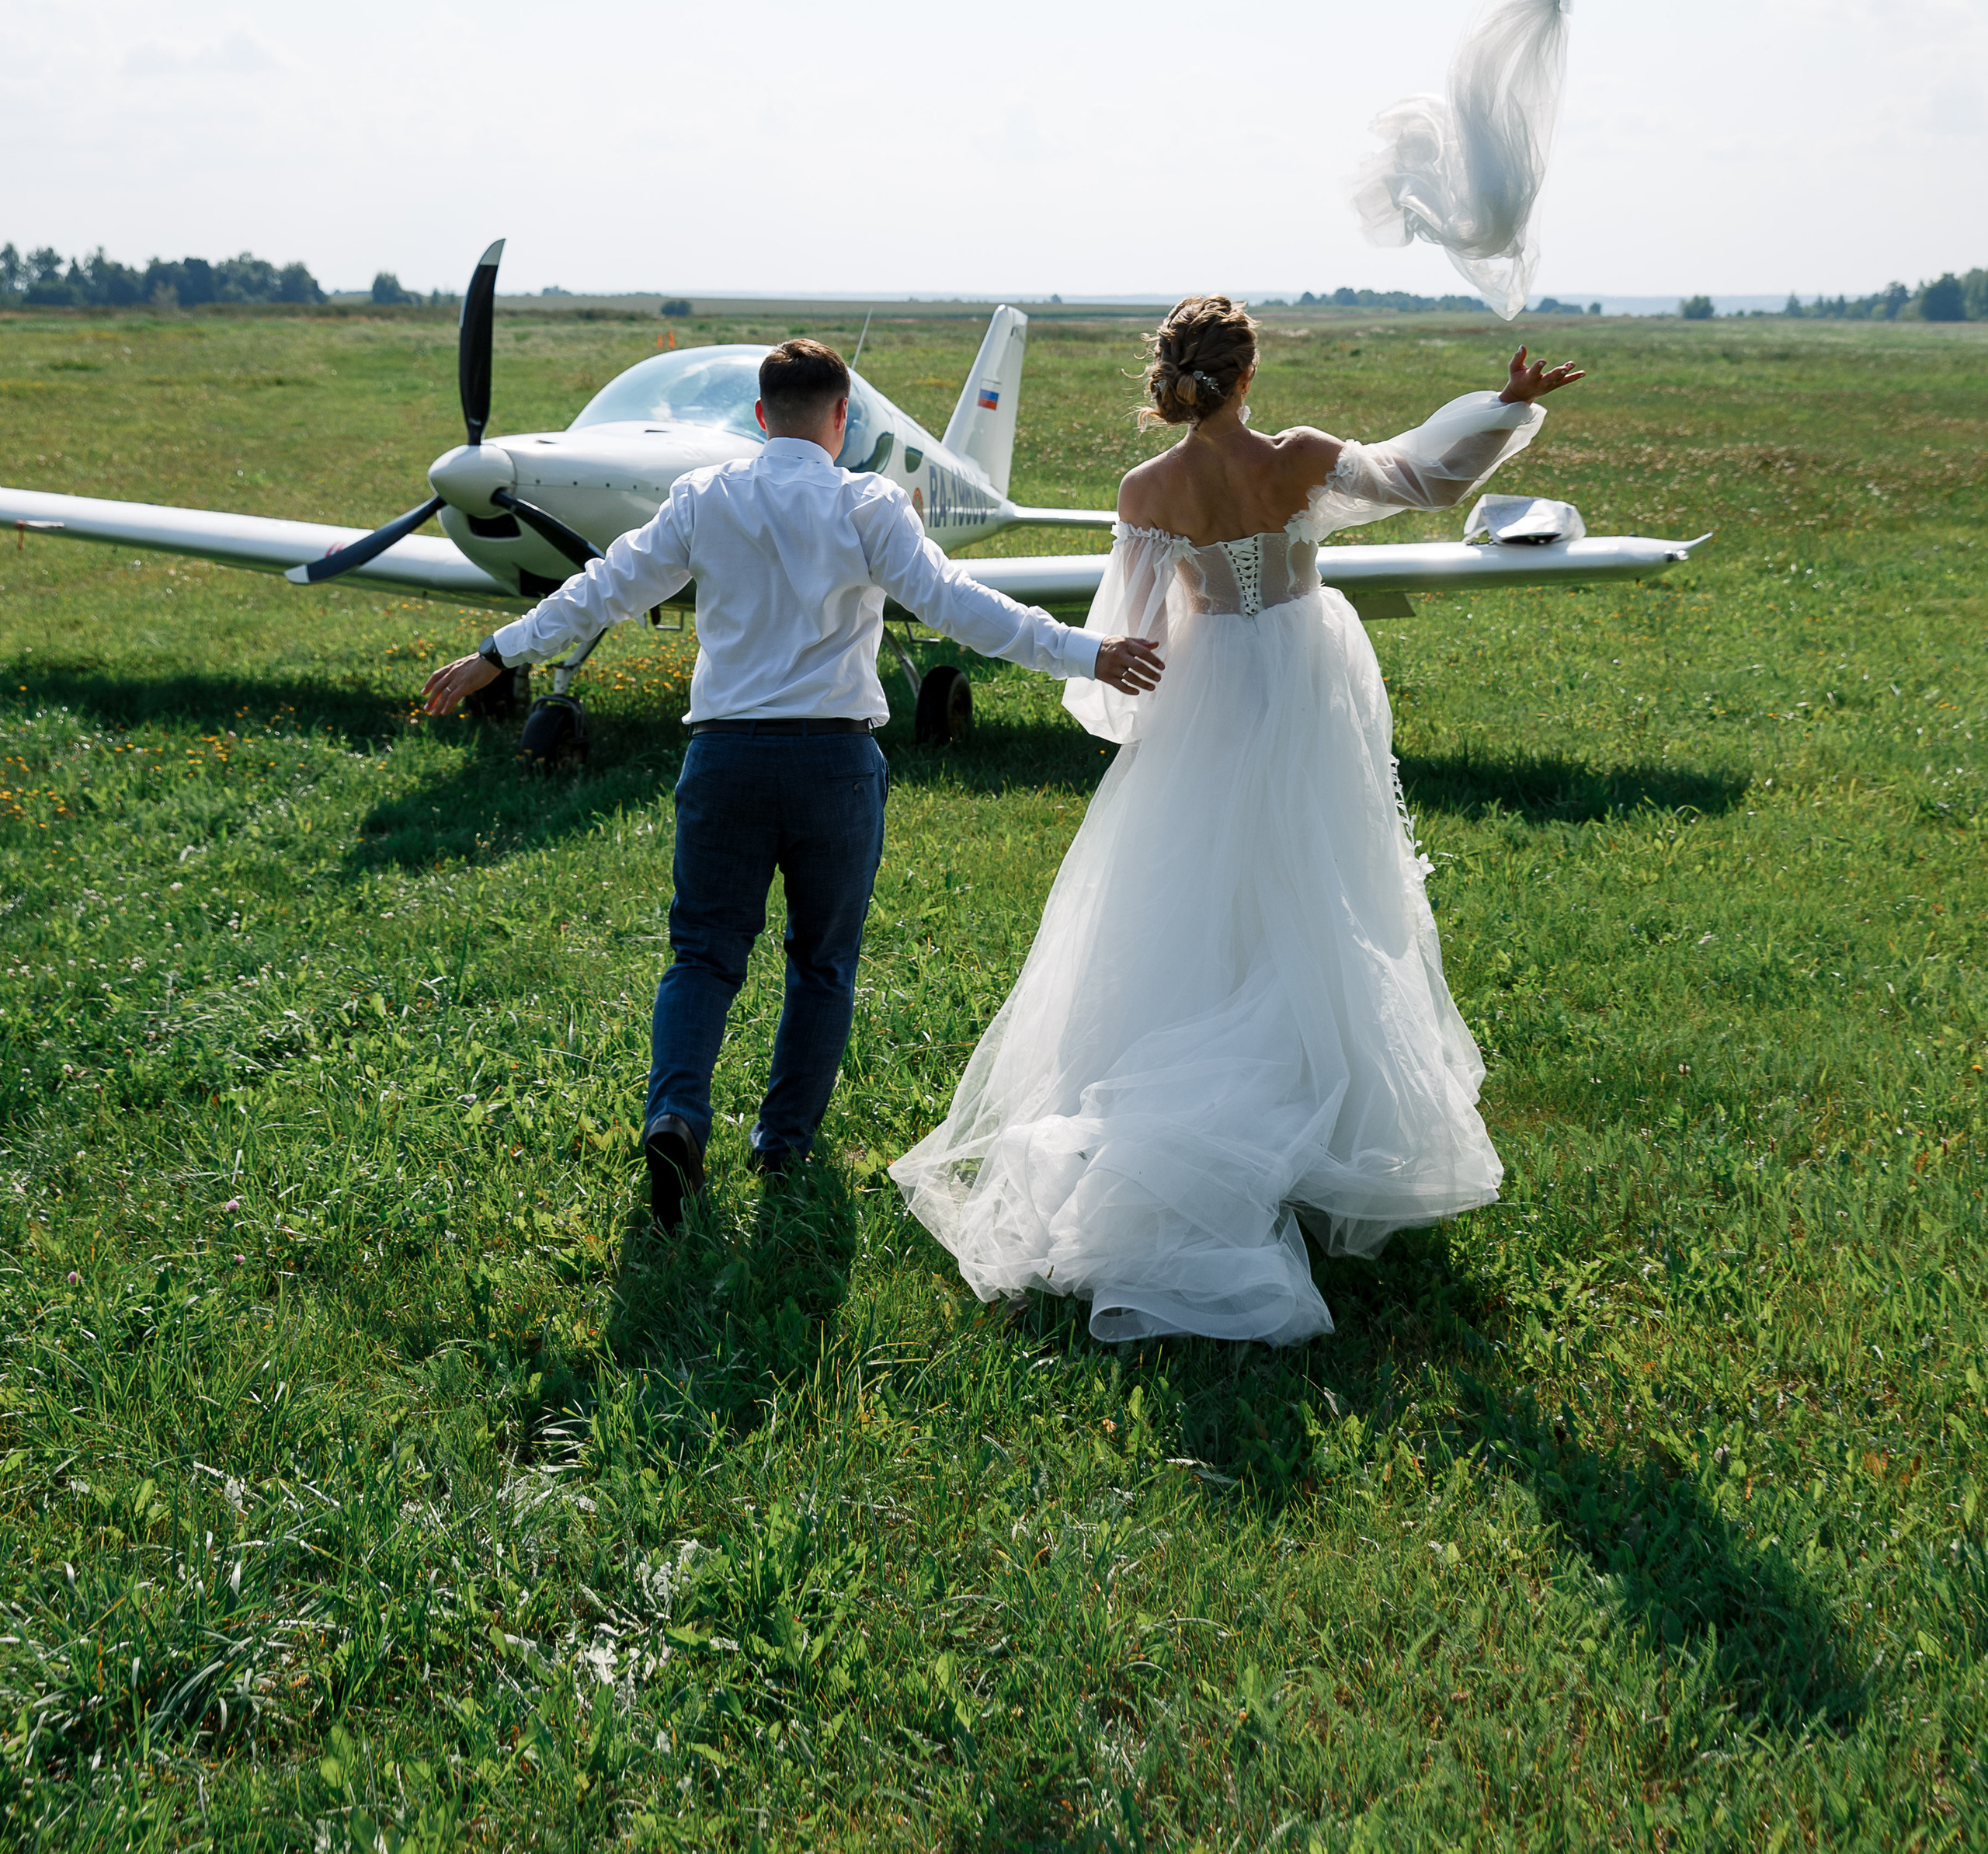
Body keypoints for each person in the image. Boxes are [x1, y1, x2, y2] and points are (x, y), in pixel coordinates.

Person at [890, 297, 1583, 1344]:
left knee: (1195, 882)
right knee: (1321, 877)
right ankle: (1307, 1111)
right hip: (1304, 673)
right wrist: (1502, 407)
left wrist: (1130, 694)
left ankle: (1194, 1089)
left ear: (1175, 379)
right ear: (1248, 375)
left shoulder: (1147, 488)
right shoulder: (1299, 456)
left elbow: (1125, 630)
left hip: (1209, 682)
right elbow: (1422, 479)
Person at [423, 338, 1162, 1228]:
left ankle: (676, 1118)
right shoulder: (870, 504)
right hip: (835, 767)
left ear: (761, 416)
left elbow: (602, 591)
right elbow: (962, 608)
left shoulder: (701, 497)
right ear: (840, 421)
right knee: (821, 965)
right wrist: (1090, 651)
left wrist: (495, 653)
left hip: (726, 759)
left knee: (702, 954)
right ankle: (783, 1145)